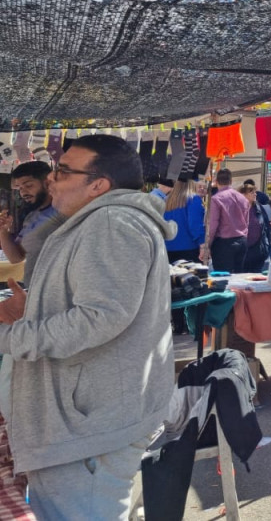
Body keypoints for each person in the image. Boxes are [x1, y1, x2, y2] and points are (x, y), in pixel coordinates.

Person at [0, 134, 173, 519]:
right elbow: (103, 307)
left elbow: (100, 317)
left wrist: (11, 337)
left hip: (88, 426)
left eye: (63, 171)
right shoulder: (101, 220)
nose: (51, 179)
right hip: (89, 423)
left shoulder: (111, 222)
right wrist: (36, 311)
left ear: (99, 185)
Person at [0, 160, 59, 277]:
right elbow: (16, 257)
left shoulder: (65, 213)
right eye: (20, 188)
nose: (23, 192)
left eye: (28, 185)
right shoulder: (32, 218)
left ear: (47, 183)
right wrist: (3, 231)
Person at [201, 168, 250, 272]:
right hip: (241, 240)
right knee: (238, 277)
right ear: (231, 181)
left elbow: (213, 225)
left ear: (216, 182)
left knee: (222, 278)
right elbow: (247, 222)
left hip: (224, 244)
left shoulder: (216, 199)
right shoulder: (243, 198)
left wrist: (207, 245)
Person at [161, 178, 206, 264]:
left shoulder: (166, 200)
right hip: (189, 247)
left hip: (168, 247)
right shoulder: (193, 198)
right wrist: (202, 244)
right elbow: (194, 224)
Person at [240, 181, 271, 273]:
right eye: (251, 192)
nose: (255, 194)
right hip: (241, 250)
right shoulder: (237, 208)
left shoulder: (259, 208)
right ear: (243, 194)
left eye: (255, 192)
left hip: (257, 250)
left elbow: (267, 228)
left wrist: (267, 246)